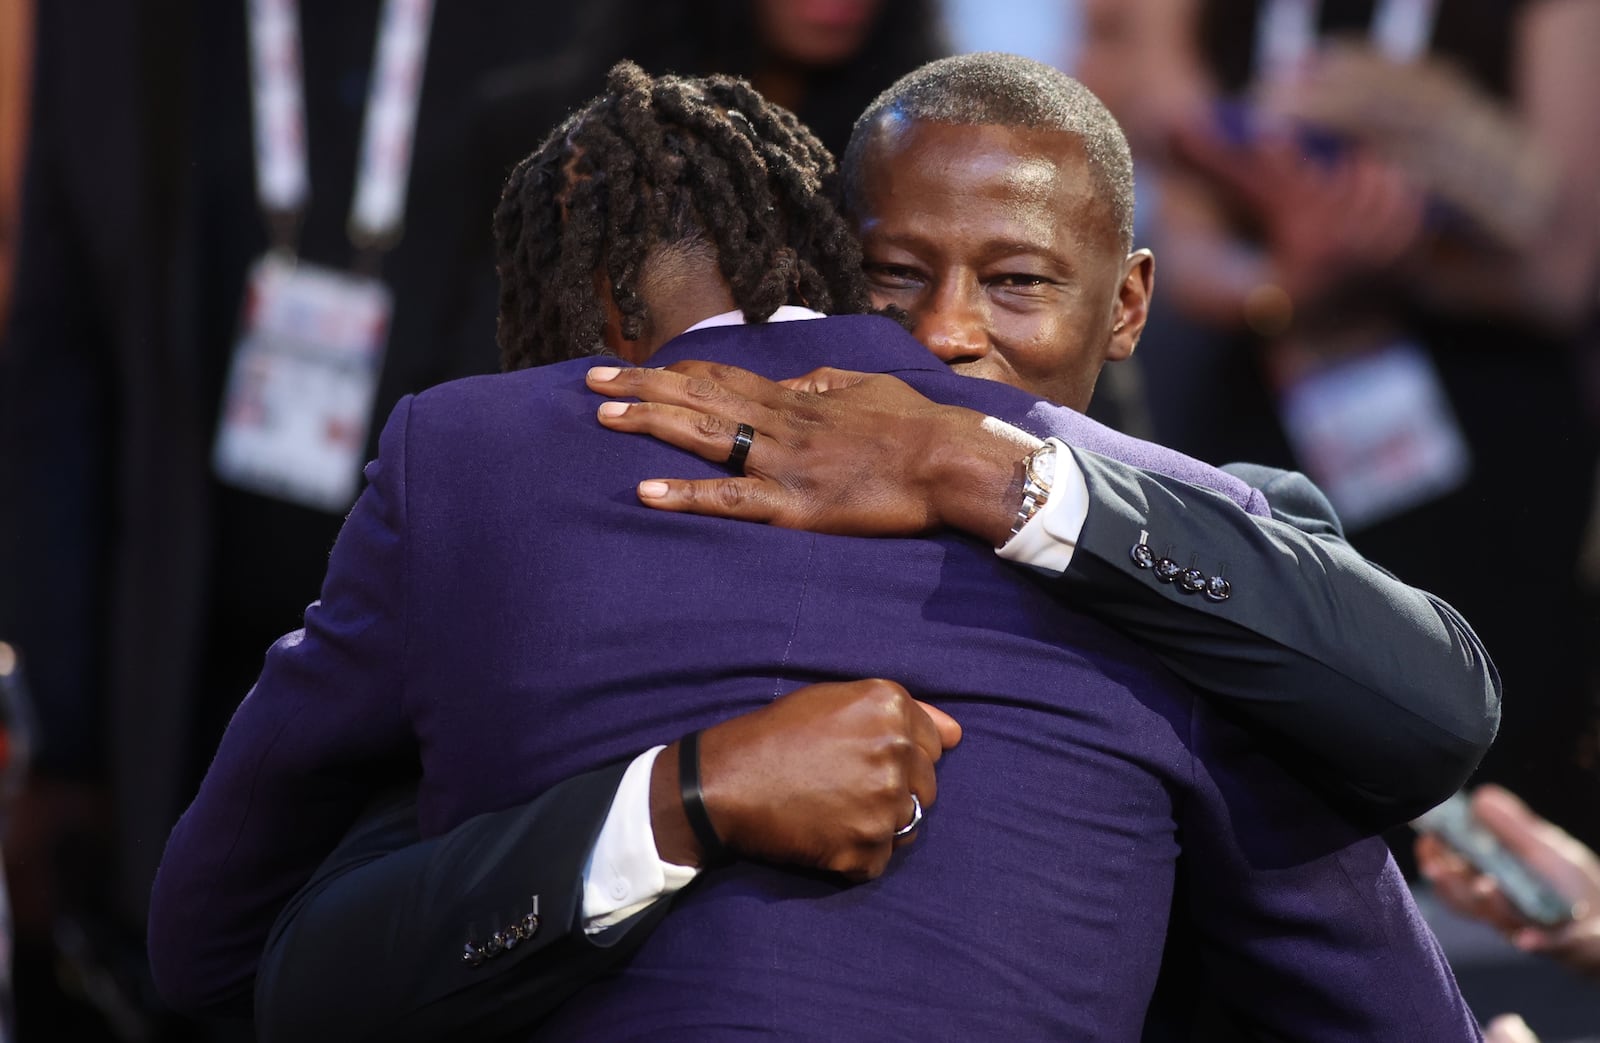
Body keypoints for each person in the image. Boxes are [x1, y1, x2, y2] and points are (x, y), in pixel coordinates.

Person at [147, 60, 1480, 1040]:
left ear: (1130, 301)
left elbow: (232, 948)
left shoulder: (1179, 546)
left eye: (1014, 280)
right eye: (897, 277)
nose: (950, 334)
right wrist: (680, 804)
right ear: (828, 263)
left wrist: (979, 469)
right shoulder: (508, 472)